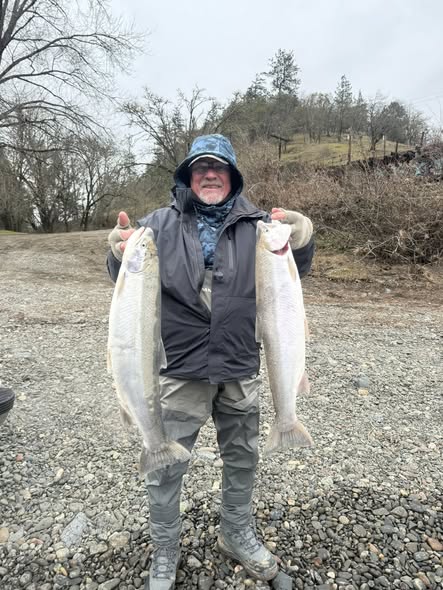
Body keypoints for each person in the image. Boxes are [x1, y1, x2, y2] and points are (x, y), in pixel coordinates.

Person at [107, 134, 314, 590]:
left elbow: (292, 274)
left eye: (218, 167)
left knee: (242, 458)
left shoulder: (259, 226)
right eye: (201, 168)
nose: (210, 175)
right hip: (181, 369)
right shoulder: (157, 225)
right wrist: (117, 250)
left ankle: (235, 533)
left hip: (239, 365)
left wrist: (302, 238)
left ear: (233, 176)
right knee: (164, 464)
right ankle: (165, 547)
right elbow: (125, 280)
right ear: (188, 176)